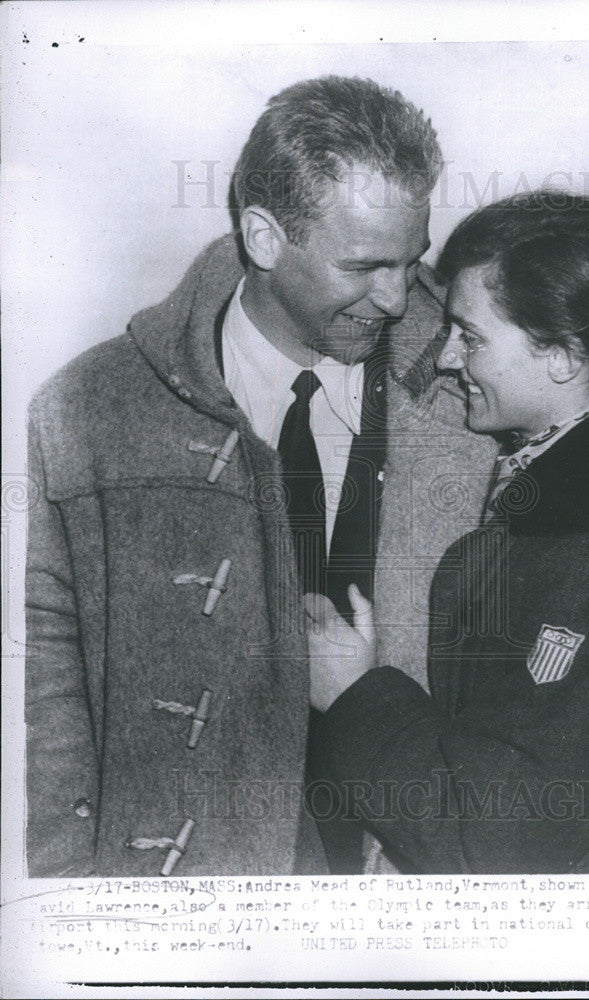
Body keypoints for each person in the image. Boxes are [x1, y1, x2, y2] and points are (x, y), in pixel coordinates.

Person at [24, 76, 498, 877]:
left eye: (412, 258)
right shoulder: (86, 412)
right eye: (364, 265)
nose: (396, 297)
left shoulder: (486, 379)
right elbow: (39, 706)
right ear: (265, 237)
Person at [307, 191, 589, 874]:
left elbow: (494, 840)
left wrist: (355, 695)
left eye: (471, 337)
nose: (445, 362)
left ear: (561, 356)